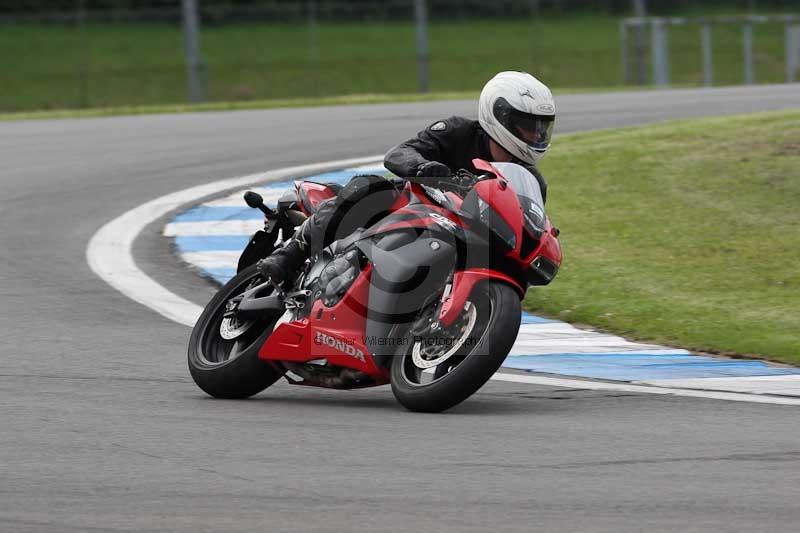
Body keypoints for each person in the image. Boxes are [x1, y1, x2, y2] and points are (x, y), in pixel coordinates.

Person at [258, 71, 556, 283]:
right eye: (528, 126)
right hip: (415, 205)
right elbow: (399, 154)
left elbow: (522, 226)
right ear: (499, 116)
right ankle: (291, 254)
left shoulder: (531, 181)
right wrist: (424, 168)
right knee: (368, 187)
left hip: (463, 238)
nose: (536, 135)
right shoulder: (458, 132)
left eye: (542, 127)